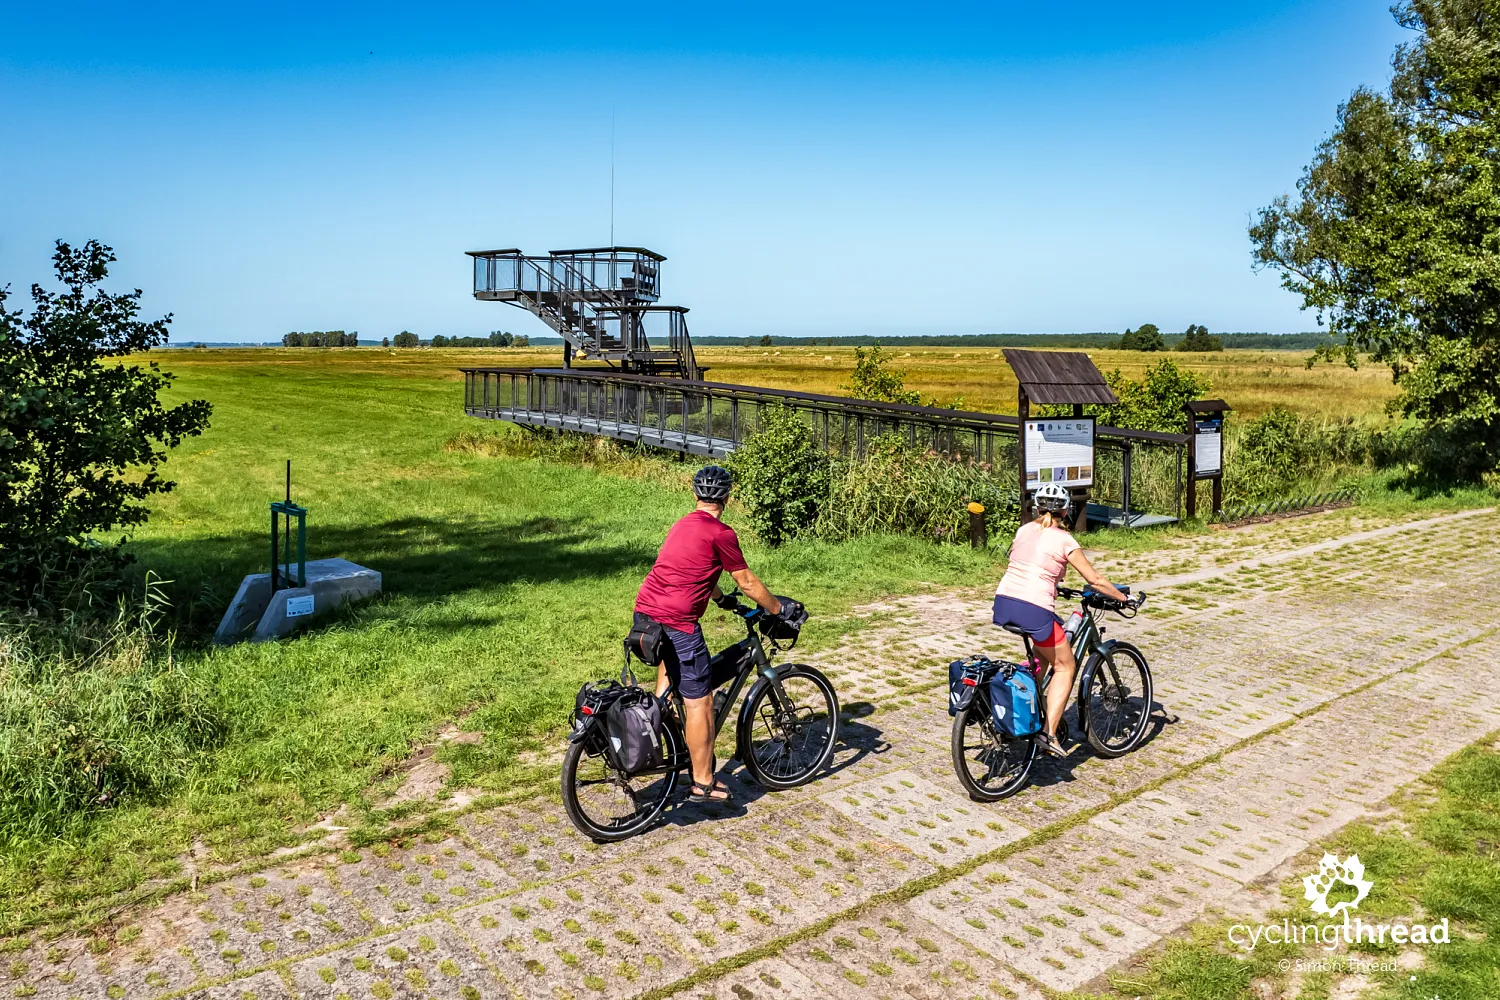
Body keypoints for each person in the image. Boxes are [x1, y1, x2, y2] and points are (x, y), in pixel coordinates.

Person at [634, 465, 784, 803]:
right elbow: (746, 581)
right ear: (728, 496)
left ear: (695, 494)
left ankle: (666, 723)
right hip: (678, 622)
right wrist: (777, 609)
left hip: (645, 613)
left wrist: (719, 598)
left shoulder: (683, 524)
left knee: (670, 674)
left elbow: (693, 566)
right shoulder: (722, 533)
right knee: (699, 702)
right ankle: (703, 782)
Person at [993, 481, 1130, 758]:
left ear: (1036, 508)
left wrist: (1055, 582)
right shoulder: (1065, 539)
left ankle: (1027, 710)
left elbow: (1029, 564)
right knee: (1066, 667)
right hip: (1033, 608)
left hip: (1004, 602)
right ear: (1066, 512)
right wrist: (1122, 598)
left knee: (1041, 658)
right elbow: (1094, 579)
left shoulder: (1024, 530)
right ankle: (1049, 734)